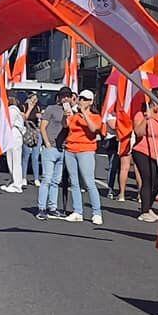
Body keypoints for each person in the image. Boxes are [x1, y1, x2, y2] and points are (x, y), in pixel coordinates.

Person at [62, 89, 106, 224]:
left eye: (85, 99)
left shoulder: (95, 116)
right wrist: (66, 116)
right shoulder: (75, 116)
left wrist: (84, 114)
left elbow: (93, 129)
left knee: (89, 181)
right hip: (71, 149)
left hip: (86, 150)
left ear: (91, 102)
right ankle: (77, 211)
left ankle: (97, 212)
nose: (82, 101)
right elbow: (66, 125)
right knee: (74, 182)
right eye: (80, 98)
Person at [130, 96, 158, 224]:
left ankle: (148, 206)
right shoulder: (141, 115)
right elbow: (138, 132)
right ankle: (144, 210)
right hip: (144, 152)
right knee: (148, 179)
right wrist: (147, 119)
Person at [34, 88, 71, 220]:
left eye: (68, 96)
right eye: (63, 96)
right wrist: (47, 144)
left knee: (56, 181)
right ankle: (41, 208)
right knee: (47, 179)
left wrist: (69, 115)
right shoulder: (51, 109)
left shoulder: (72, 112)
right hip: (50, 148)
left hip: (63, 149)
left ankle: (52, 207)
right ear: (59, 97)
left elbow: (68, 127)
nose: (65, 99)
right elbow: (43, 127)